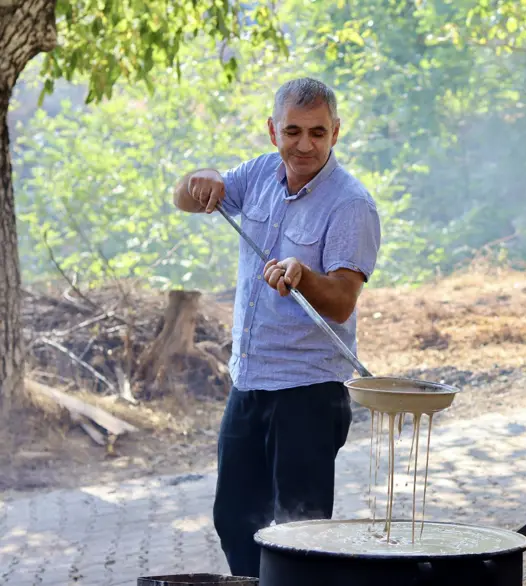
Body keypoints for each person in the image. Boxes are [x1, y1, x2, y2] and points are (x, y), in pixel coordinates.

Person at [171, 77, 381, 577]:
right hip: (249, 381)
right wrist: (201, 177)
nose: (304, 144)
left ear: (336, 132)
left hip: (309, 391)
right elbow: (184, 198)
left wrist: (305, 276)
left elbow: (342, 303)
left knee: (300, 532)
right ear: (272, 132)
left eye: (317, 132)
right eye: (293, 131)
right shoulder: (260, 174)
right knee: (233, 518)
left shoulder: (352, 204)